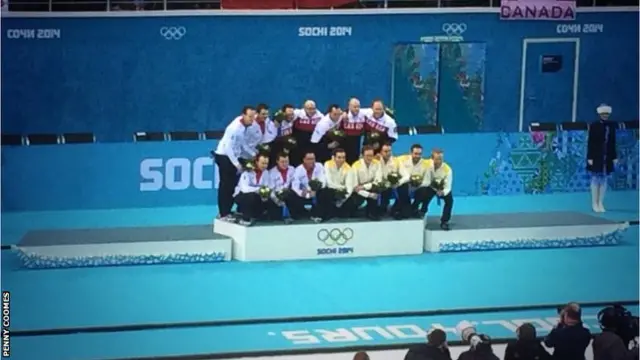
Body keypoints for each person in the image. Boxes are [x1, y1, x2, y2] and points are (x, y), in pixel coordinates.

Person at [214, 106, 257, 221]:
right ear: (243, 115)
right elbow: (228, 148)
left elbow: (241, 144)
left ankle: (228, 211)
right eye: (249, 117)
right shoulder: (234, 128)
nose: (252, 119)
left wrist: (253, 154)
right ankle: (223, 214)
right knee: (226, 187)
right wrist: (236, 164)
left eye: (253, 117)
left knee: (233, 186)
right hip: (224, 157)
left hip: (233, 157)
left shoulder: (244, 126)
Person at [586, 104, 617, 213]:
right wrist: (590, 156)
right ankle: (594, 202)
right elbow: (591, 142)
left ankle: (600, 202)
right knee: (595, 179)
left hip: (607, 156)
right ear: (599, 114)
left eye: (607, 114)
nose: (605, 116)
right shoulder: (594, 126)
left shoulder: (612, 126)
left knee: (604, 180)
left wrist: (614, 156)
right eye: (603, 114)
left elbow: (613, 142)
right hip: (596, 156)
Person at [290, 150, 331, 223]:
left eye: (313, 159)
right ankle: (298, 218)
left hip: (316, 192)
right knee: (292, 195)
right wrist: (303, 193)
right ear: (304, 160)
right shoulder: (298, 170)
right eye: (309, 159)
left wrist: (315, 190)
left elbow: (323, 180)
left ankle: (321, 216)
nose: (312, 161)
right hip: (304, 194)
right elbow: (295, 186)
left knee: (325, 192)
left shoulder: (319, 166)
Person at [233, 154, 271, 226]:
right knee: (250, 196)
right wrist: (259, 189)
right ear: (256, 162)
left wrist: (265, 193)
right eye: (262, 163)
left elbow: (266, 186)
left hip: (257, 195)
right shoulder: (247, 171)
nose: (264, 166)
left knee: (268, 197)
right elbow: (244, 189)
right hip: (241, 195)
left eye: (266, 164)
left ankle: (258, 214)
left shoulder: (266, 172)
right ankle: (245, 218)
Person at [396, 144, 431, 219]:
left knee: (425, 190)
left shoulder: (426, 164)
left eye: (420, 154)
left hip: (417, 187)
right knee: (406, 214)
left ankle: (415, 207)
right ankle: (402, 207)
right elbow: (392, 160)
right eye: (415, 154)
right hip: (404, 187)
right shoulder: (402, 159)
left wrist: (418, 183)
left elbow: (427, 181)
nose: (417, 156)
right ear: (411, 153)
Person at [422, 148, 454, 230]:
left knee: (449, 201)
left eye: (441, 159)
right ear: (432, 158)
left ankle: (445, 221)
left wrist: (443, 192)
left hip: (442, 188)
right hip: (430, 186)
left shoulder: (448, 170)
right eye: (437, 159)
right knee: (424, 193)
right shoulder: (427, 165)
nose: (439, 161)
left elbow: (448, 187)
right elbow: (426, 180)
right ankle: (422, 211)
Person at [349, 145, 384, 220]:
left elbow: (378, 181)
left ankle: (372, 213)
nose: (370, 158)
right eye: (367, 155)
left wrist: (364, 186)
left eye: (371, 155)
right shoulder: (355, 165)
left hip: (370, 187)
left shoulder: (377, 163)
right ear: (362, 155)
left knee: (377, 188)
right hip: (358, 191)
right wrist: (369, 195)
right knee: (348, 212)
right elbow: (355, 187)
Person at [291, 100, 324, 167]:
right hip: (300, 139)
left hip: (313, 140)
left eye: (313, 109)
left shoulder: (320, 116)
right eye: (309, 109)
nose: (311, 111)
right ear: (304, 108)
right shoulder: (297, 113)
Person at [324, 148, 354, 218]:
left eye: (343, 157)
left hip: (342, 194)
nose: (342, 160)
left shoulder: (348, 168)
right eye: (339, 157)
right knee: (325, 193)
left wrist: (342, 200)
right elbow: (329, 183)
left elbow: (349, 188)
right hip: (330, 190)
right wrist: (342, 187)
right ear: (333, 158)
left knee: (349, 205)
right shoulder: (327, 164)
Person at [268, 152, 296, 224]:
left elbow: (295, 184)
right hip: (276, 197)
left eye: (286, 161)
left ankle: (292, 215)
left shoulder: (292, 169)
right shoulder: (271, 172)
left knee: (290, 193)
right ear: (277, 161)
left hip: (289, 194)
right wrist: (277, 200)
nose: (285, 164)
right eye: (282, 162)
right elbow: (270, 190)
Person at [378, 142, 403, 218]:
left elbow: (406, 176)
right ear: (381, 152)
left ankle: (395, 208)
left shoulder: (396, 161)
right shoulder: (376, 161)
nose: (388, 153)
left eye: (390, 151)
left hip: (391, 186)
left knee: (403, 187)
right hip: (379, 186)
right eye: (386, 151)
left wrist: (398, 183)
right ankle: (379, 207)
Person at [340, 97, 367, 164]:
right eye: (354, 107)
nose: (357, 109)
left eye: (358, 106)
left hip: (356, 146)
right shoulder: (343, 116)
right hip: (343, 145)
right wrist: (344, 112)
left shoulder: (364, 115)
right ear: (349, 107)